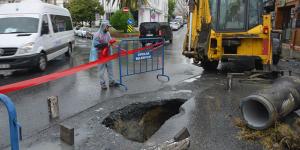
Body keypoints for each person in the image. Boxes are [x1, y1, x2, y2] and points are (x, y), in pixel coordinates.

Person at [89, 22, 119, 90]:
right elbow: (96, 45)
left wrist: (113, 43)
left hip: (108, 54)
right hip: (101, 55)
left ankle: (111, 82)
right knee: (101, 70)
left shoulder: (107, 33)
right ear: (103, 26)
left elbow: (110, 41)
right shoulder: (97, 35)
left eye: (108, 27)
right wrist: (106, 44)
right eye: (107, 27)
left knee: (110, 68)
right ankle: (102, 83)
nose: (108, 28)